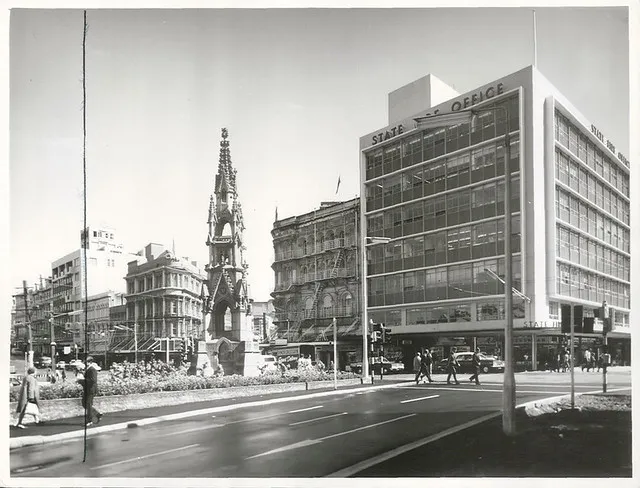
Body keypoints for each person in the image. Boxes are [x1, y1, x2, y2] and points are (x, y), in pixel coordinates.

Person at [82, 356, 103, 427]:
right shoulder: (88, 369)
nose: (85, 363)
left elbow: (93, 380)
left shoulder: (92, 369)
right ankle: (97, 414)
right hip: (87, 389)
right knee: (85, 404)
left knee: (88, 404)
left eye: (86, 362)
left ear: (90, 362)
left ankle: (89, 420)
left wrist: (82, 380)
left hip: (91, 389)